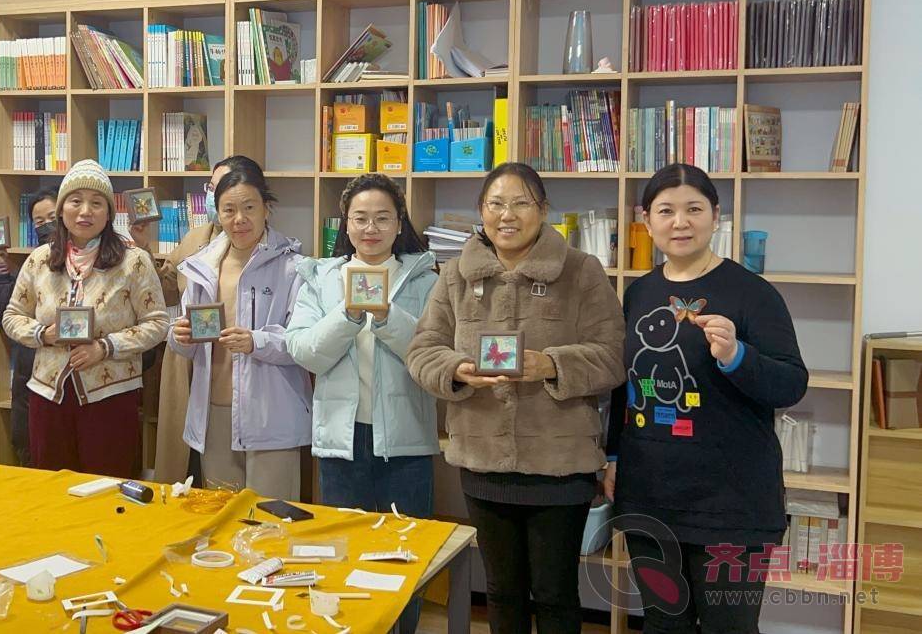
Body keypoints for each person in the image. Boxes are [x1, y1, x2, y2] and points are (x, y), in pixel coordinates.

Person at [407, 162, 625, 634]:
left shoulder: (581, 271)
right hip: (482, 460)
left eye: (521, 203)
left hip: (559, 463)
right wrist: (456, 370)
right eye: (496, 204)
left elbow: (612, 357)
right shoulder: (456, 275)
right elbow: (423, 351)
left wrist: (551, 365)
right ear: (481, 211)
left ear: (543, 210)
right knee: (501, 591)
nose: (507, 215)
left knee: (555, 593)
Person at [605, 164, 807, 633]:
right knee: (663, 623)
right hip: (651, 495)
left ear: (716, 216)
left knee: (729, 628)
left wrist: (737, 356)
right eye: (666, 211)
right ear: (646, 220)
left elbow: (791, 384)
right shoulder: (639, 293)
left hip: (733, 502)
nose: (680, 222)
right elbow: (623, 383)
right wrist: (613, 455)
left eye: (694, 209)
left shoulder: (753, 294)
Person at [285, 173, 438, 634]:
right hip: (341, 441)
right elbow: (304, 350)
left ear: (399, 224)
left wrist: (388, 317)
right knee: (344, 551)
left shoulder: (424, 279)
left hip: (407, 442)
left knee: (404, 553)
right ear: (345, 224)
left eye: (382, 218)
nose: (371, 228)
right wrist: (349, 315)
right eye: (360, 218)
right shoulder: (320, 278)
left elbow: (434, 353)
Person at [2, 160, 169, 477]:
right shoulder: (39, 260)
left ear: (109, 213)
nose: (85, 211)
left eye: (96, 203)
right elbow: (12, 316)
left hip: (110, 397)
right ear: (61, 209)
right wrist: (43, 334)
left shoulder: (133, 261)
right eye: (75, 201)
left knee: (106, 486)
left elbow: (158, 323)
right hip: (48, 397)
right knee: (52, 487)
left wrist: (105, 347)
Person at [168, 165, 310, 499]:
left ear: (266, 208)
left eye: (249, 207)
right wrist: (180, 336)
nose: (239, 219)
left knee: (269, 517)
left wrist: (255, 341)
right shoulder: (202, 266)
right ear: (217, 214)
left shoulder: (293, 266)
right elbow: (188, 343)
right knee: (221, 513)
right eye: (229, 210)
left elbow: (302, 342)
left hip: (270, 413)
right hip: (214, 410)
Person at [154, 155, 263, 483]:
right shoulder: (195, 239)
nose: (219, 197)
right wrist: (142, 251)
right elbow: (167, 290)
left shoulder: (273, 251)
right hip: (190, 363)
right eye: (214, 189)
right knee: (192, 469)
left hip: (241, 379)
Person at [0, 187, 57, 466]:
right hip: (30, 377)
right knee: (32, 455)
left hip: (74, 377)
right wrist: (0, 268)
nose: (46, 227)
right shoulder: (30, 266)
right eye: (39, 222)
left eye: (52, 218)